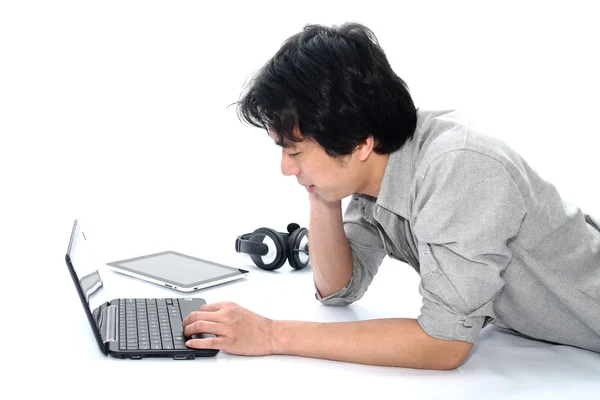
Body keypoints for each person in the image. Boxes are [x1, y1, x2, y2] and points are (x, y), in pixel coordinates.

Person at [182, 22, 600, 370]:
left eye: (295, 152)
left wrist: (271, 334)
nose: (286, 169)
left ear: (359, 144)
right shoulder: (377, 172)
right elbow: (339, 288)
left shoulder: (459, 166)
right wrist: (319, 193)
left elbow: (444, 343)